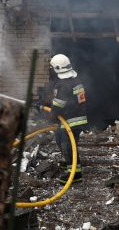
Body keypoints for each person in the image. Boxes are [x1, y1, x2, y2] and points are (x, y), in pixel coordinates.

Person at [39, 53, 88, 183]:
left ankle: (75, 174)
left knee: (66, 145)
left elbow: (58, 107)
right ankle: (71, 165)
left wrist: (45, 112)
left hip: (69, 120)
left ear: (57, 69)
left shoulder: (64, 85)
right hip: (76, 118)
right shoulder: (75, 81)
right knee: (64, 142)